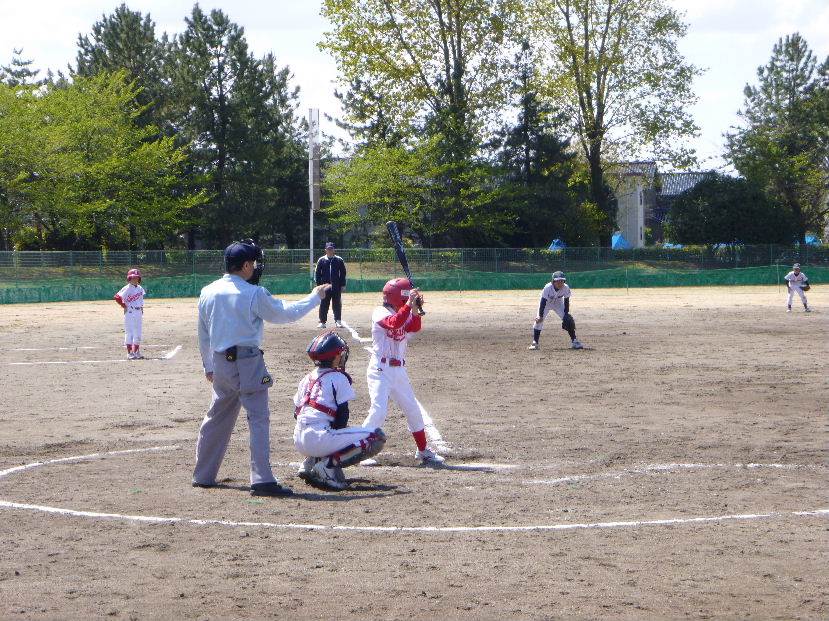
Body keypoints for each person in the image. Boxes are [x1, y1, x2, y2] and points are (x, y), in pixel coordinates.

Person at [193, 239, 330, 497]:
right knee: (258, 418)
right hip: (247, 362)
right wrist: (315, 297)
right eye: (253, 263)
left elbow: (203, 334)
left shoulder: (207, 291)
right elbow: (285, 314)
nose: (255, 267)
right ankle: (262, 479)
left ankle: (203, 474)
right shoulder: (253, 293)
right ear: (245, 265)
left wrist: (208, 365)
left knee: (216, 417)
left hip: (220, 362)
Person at [362, 278, 445, 466]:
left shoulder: (404, 311)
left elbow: (414, 327)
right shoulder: (380, 312)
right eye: (406, 296)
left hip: (398, 370)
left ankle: (423, 451)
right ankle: (362, 450)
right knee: (378, 411)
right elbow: (393, 323)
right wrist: (409, 305)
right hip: (380, 369)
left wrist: (415, 308)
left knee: (413, 410)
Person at [292, 331, 386, 490]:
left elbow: (296, 413)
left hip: (298, 439)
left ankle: (310, 461)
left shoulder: (306, 379)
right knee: (376, 436)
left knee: (323, 427)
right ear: (334, 356)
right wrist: (332, 444)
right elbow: (343, 416)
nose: (342, 356)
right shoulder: (338, 377)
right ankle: (327, 465)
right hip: (318, 439)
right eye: (340, 353)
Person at [529, 271, 583, 351]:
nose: (560, 283)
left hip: (558, 303)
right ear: (553, 281)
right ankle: (535, 343)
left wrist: (566, 314)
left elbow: (566, 301)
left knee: (568, 320)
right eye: (558, 281)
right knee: (539, 321)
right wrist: (540, 315)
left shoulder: (566, 288)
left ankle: (574, 341)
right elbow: (543, 302)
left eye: (562, 281)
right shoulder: (547, 287)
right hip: (546, 304)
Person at [114, 268, 146, 360]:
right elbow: (117, 297)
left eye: (136, 278)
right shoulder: (127, 288)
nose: (134, 279)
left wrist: (141, 308)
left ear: (139, 279)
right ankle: (130, 353)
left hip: (138, 312)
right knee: (130, 333)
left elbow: (140, 300)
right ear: (129, 278)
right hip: (130, 312)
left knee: (138, 333)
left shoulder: (140, 288)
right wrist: (124, 305)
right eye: (132, 278)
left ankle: (136, 351)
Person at [315, 242, 347, 328]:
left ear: (334, 250)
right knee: (324, 303)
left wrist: (343, 285)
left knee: (337, 303)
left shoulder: (339, 260)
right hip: (325, 287)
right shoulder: (321, 260)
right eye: (328, 249)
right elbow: (317, 274)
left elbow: (343, 273)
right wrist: (319, 286)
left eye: (331, 249)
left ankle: (338, 321)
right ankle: (322, 322)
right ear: (325, 250)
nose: (330, 250)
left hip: (336, 286)